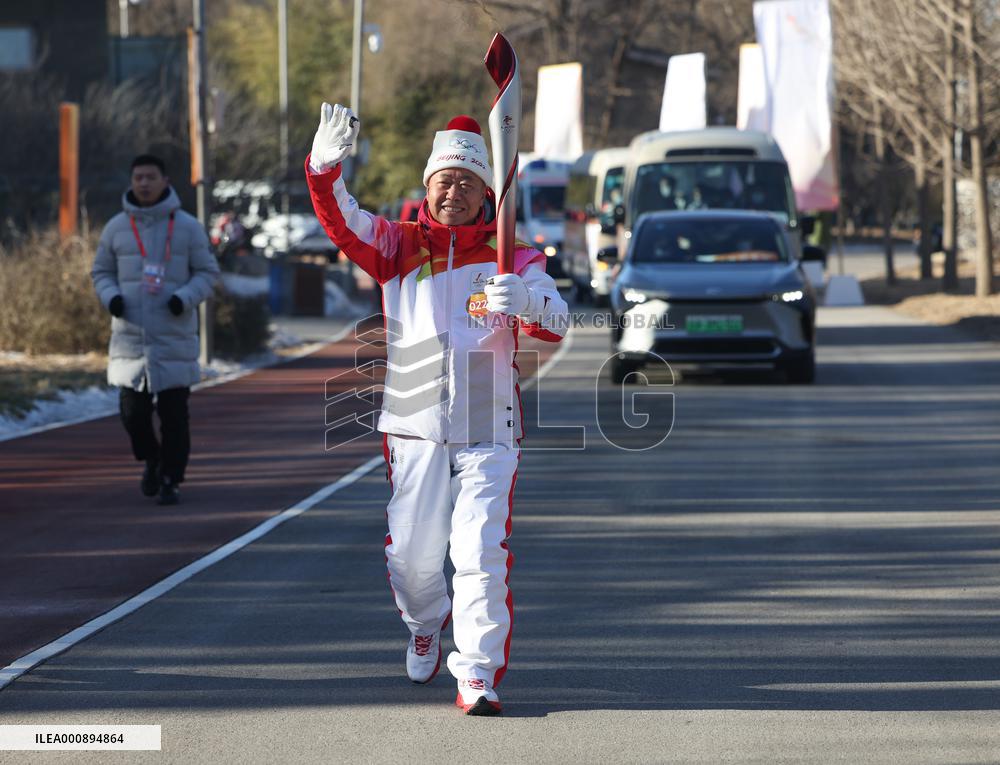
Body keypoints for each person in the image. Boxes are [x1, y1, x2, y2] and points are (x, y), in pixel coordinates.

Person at [306, 104, 568, 716]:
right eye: (444, 181)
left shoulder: (515, 255)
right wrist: (324, 167)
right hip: (415, 424)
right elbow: (341, 222)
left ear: (487, 192)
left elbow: (556, 324)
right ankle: (425, 621)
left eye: (468, 182)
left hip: (488, 425)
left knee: (478, 552)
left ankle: (476, 673)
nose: (455, 191)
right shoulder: (397, 244)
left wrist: (526, 297)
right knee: (413, 558)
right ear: (428, 187)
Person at [91, 154, 219, 506]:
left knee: (175, 417)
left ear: (165, 180)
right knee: (133, 415)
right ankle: (151, 458)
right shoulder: (116, 227)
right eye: (138, 177)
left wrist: (184, 298)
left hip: (174, 337)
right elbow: (100, 272)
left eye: (150, 176)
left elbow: (207, 272)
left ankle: (170, 479)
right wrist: (111, 297)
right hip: (129, 339)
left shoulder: (188, 227)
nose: (143, 183)